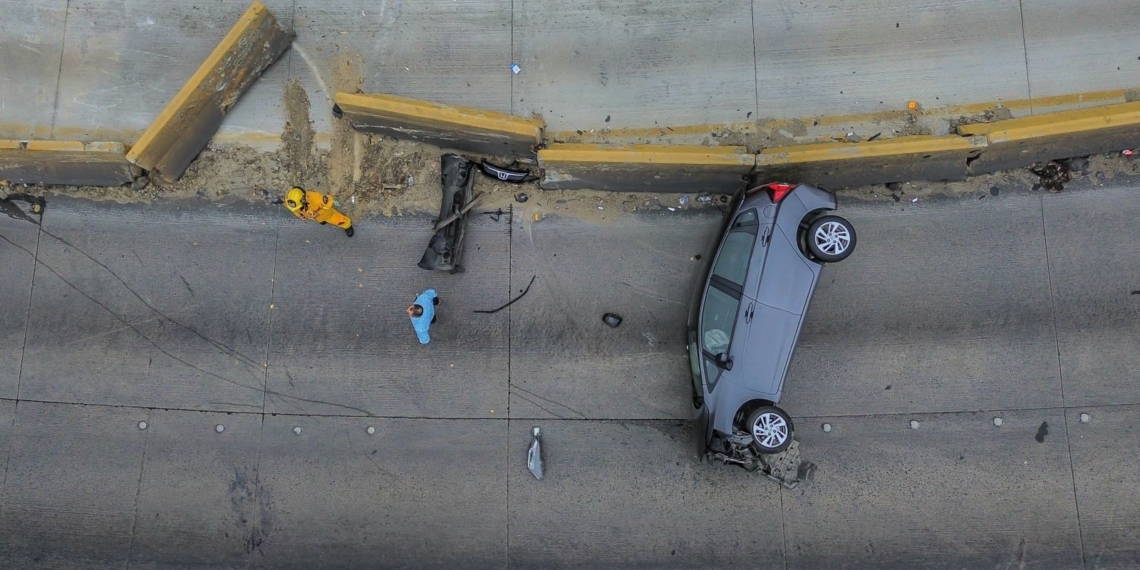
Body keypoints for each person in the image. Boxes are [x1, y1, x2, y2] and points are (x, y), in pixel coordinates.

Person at [284, 187, 354, 237]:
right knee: (320, 220)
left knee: (339, 220)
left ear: (303, 199)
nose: (297, 208)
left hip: (327, 215)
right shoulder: (292, 202)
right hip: (315, 217)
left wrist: (318, 213)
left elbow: (330, 200)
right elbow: (293, 209)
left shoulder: (316, 198)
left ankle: (347, 225)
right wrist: (299, 215)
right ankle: (322, 221)